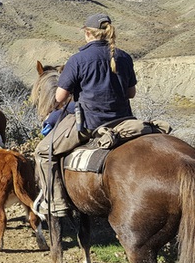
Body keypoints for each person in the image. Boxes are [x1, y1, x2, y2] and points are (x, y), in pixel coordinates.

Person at [34, 13, 137, 217]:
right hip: (124, 120)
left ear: (87, 33)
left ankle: (55, 202)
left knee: (43, 152)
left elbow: (60, 97)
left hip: (91, 122)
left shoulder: (78, 59)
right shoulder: (124, 56)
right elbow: (131, 93)